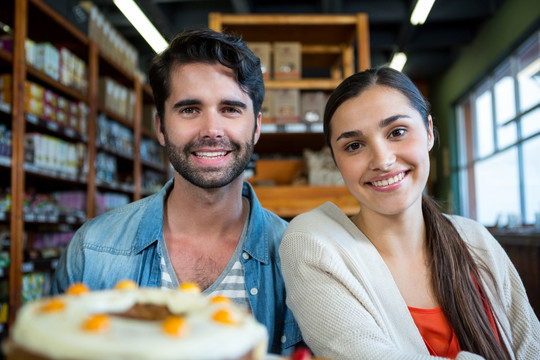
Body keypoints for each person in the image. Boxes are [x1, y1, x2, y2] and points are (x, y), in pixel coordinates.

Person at [52, 28, 301, 355]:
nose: (211, 130)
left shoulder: (297, 258)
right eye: (189, 109)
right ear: (160, 127)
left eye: (230, 109)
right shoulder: (94, 250)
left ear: (255, 127)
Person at [279, 67, 540, 359]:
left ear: (429, 131)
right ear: (336, 161)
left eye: (397, 132)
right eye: (354, 145)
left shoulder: (475, 239)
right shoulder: (315, 246)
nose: (383, 160)